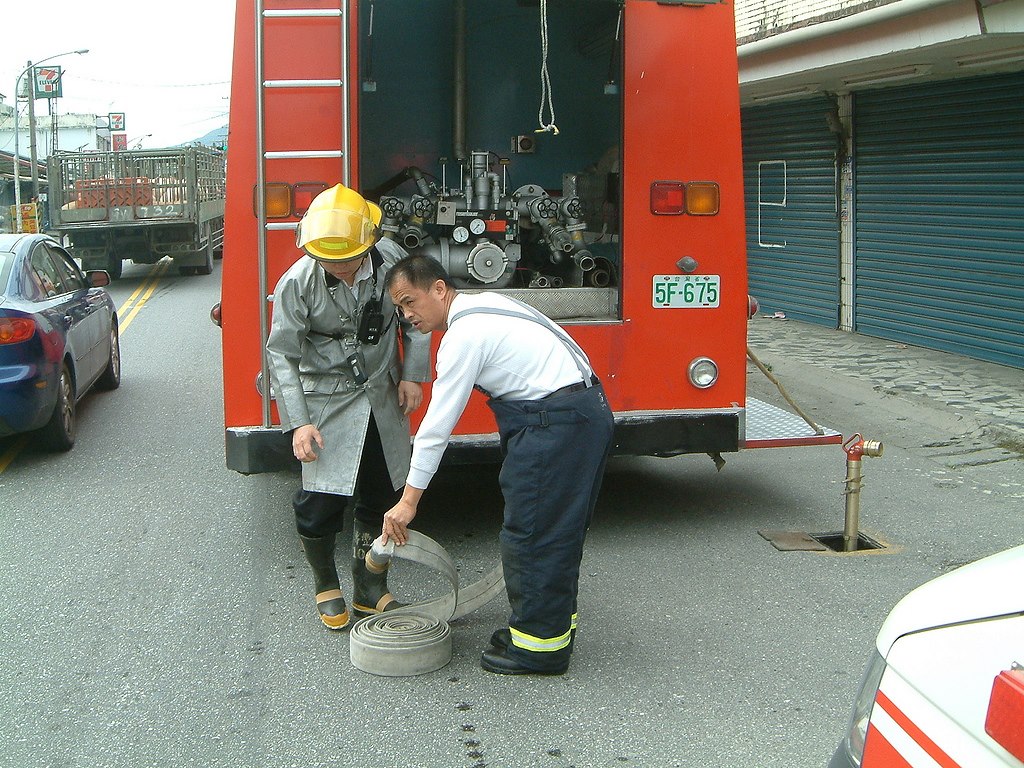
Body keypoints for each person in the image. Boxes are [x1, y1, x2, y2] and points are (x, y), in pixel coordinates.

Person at [381, 254, 615, 676]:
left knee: (531, 535)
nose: (407, 314)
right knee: (553, 531)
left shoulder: (464, 335)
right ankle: (543, 627)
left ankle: (539, 650)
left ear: (438, 288)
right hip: (578, 414)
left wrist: (409, 501)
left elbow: (436, 426)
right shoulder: (486, 303)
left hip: (555, 424)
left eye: (409, 301)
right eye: (399, 308)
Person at [266, 184, 431, 630]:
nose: (337, 267)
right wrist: (297, 423)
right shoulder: (297, 283)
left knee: (383, 493)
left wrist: (413, 375)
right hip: (325, 398)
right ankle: (325, 582)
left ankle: (370, 586)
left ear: (370, 244)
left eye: (346, 258)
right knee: (319, 499)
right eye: (327, 260)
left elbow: (417, 321)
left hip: (379, 391)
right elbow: (281, 353)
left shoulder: (392, 261)